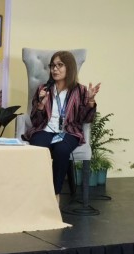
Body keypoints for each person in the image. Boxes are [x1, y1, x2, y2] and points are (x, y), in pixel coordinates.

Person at [22, 51, 101, 204]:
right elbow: (35, 120)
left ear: (69, 68)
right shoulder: (43, 89)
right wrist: (40, 105)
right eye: (52, 66)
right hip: (45, 129)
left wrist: (90, 101)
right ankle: (35, 191)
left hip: (69, 131)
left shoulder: (81, 91)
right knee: (37, 146)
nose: (54, 69)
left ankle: (55, 193)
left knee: (61, 149)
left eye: (59, 65)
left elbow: (86, 119)